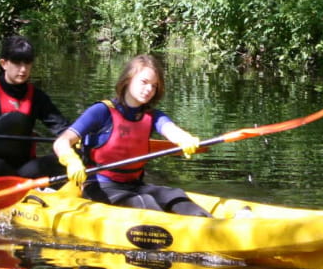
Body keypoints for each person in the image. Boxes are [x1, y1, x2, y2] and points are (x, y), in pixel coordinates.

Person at [51, 54, 210, 217]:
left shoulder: (152, 116)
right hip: (99, 186)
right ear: (128, 79)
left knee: (175, 195)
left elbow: (172, 130)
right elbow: (62, 141)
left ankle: (209, 225)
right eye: (144, 82)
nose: (149, 89)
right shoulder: (101, 111)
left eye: (154, 86)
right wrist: (70, 160)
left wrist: (185, 139)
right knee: (143, 201)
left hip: (134, 185)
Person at [0, 35, 69, 178]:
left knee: (61, 161)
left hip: (22, 170)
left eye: (27, 63)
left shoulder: (37, 97)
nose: (23, 70)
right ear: (4, 63)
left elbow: (61, 127)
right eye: (17, 63)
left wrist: (76, 140)